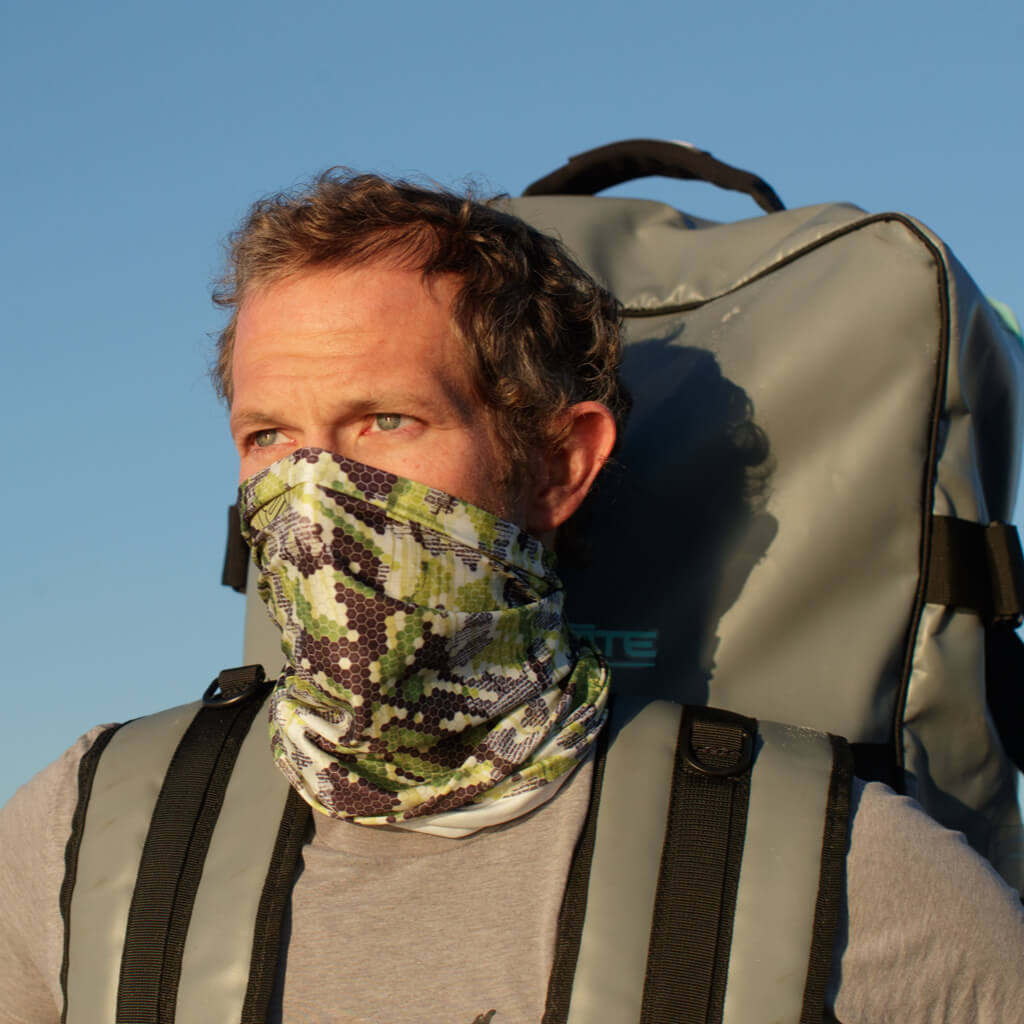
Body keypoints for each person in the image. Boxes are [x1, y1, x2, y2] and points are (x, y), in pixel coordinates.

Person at [2, 172, 1023, 1024]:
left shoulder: (834, 865)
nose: (311, 491)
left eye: (384, 421)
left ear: (557, 464)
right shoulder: (86, 836)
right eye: (268, 436)